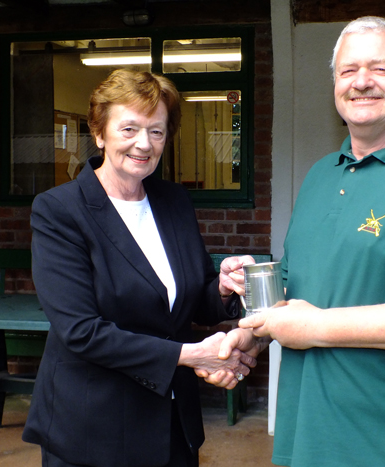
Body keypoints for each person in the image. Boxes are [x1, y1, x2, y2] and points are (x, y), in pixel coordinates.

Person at [221, 16, 385, 467]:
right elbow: (298, 281)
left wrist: (314, 328)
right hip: (308, 432)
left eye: (381, 69)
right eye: (348, 71)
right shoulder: (321, 173)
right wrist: (256, 310)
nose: (361, 82)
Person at [22, 69, 257, 467]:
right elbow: (81, 332)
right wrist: (189, 355)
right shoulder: (60, 210)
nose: (143, 144)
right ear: (99, 133)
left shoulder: (174, 201)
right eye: (129, 128)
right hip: (93, 430)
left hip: (172, 424)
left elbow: (190, 301)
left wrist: (221, 287)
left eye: (157, 131)